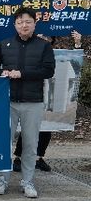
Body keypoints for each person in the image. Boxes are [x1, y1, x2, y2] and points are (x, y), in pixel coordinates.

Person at [0, 6, 55, 199]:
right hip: (7, 101)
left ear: (34, 24)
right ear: (15, 25)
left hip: (33, 102)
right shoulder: (5, 44)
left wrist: (22, 73)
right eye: (20, 22)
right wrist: (2, 72)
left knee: (30, 145)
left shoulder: (44, 46)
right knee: (4, 143)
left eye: (28, 22)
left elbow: (48, 71)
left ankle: (28, 182)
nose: (24, 25)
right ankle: (1, 180)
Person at [12, 30, 83, 173]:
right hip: (31, 95)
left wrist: (77, 44)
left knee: (46, 127)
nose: (44, 38)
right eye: (42, 35)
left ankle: (38, 158)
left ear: (52, 40)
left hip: (49, 96)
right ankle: (19, 158)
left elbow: (74, 59)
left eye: (48, 37)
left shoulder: (54, 54)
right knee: (28, 128)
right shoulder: (28, 50)